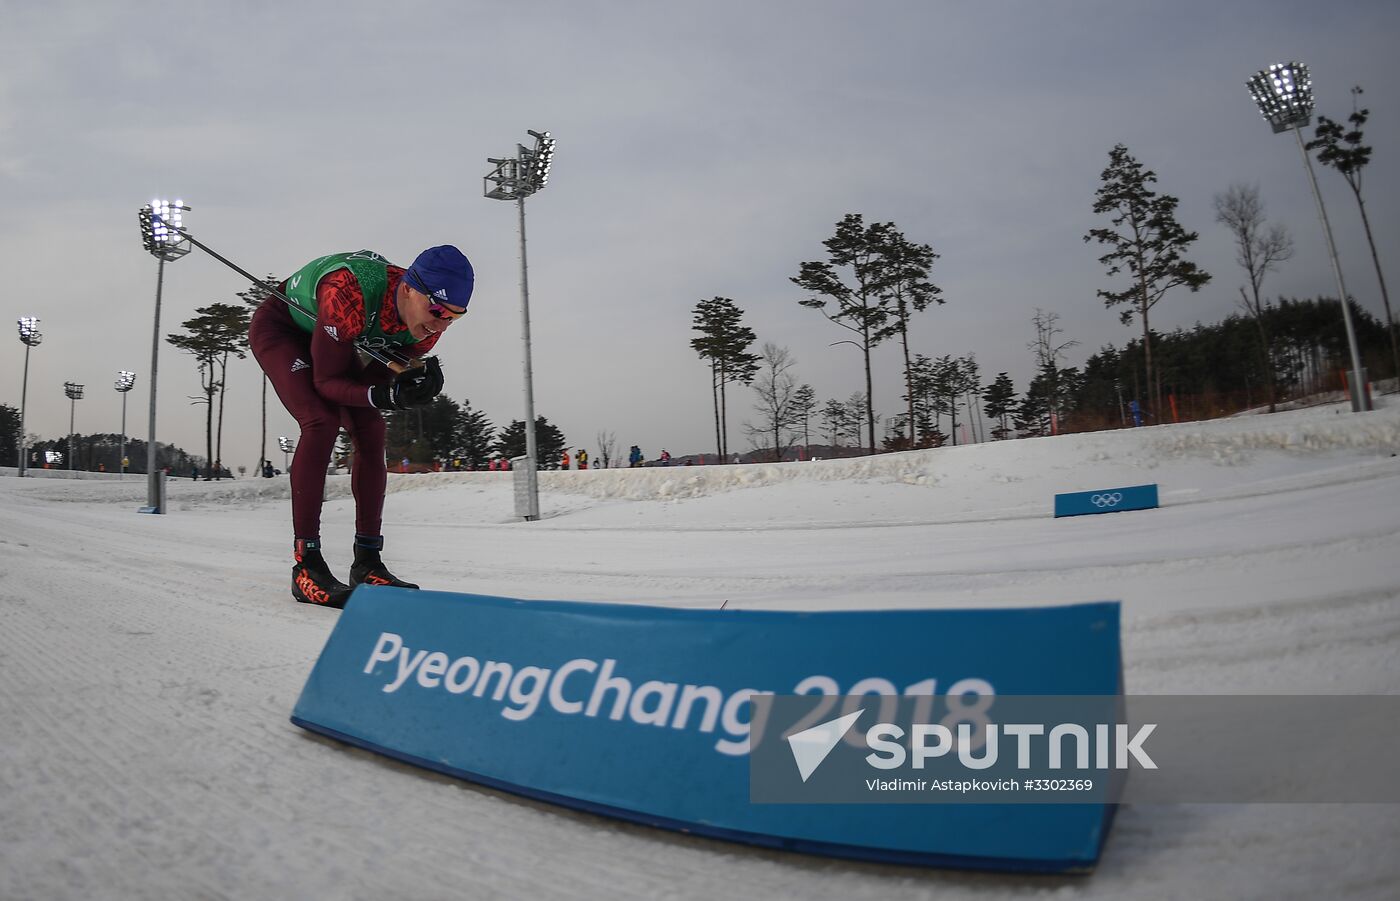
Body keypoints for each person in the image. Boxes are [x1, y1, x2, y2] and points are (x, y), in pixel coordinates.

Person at [249, 245, 473, 608]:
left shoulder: (428, 326)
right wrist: (384, 396)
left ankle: (367, 562)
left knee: (371, 429)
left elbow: (376, 383)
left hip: (342, 337)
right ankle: (306, 566)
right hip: (285, 330)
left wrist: (407, 385)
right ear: (406, 288)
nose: (440, 324)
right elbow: (327, 383)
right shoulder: (348, 292)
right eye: (436, 311)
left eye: (453, 317)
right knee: (320, 421)